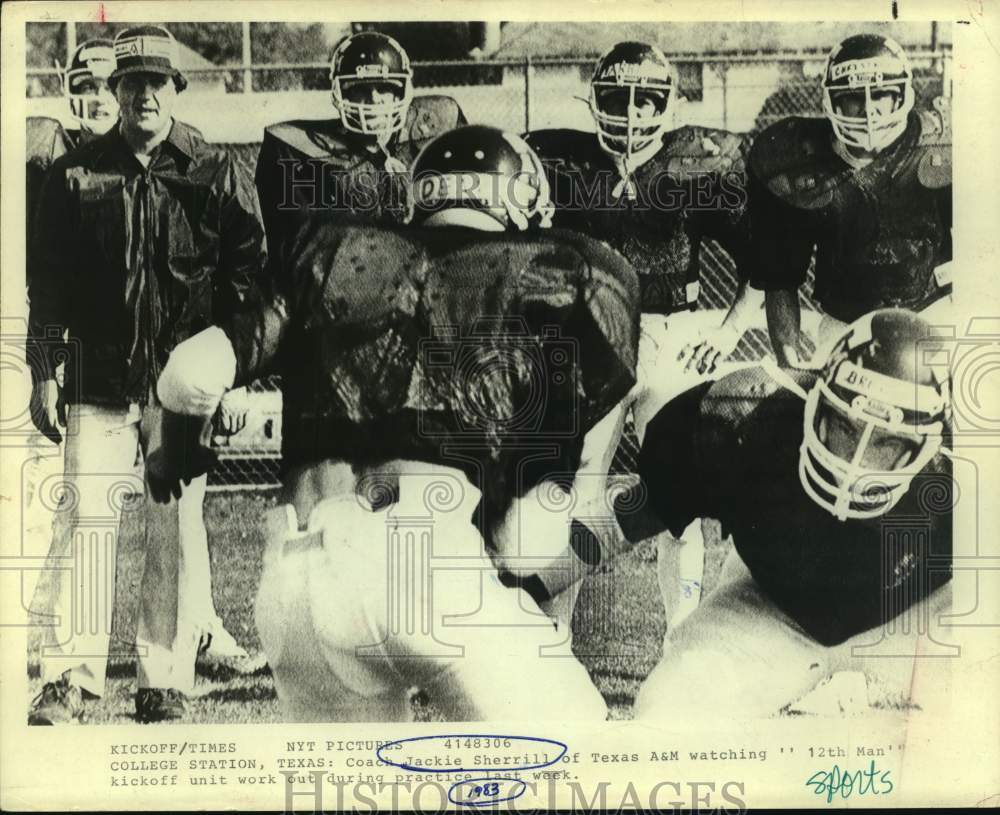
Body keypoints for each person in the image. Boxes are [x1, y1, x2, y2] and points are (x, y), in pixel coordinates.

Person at [152, 125, 641, 721]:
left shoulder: (336, 256)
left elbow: (188, 373)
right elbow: (535, 519)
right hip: (420, 563)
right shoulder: (545, 274)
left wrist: (176, 453)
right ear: (522, 201)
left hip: (293, 587)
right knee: (575, 755)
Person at [27, 25, 267, 725]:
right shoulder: (77, 174)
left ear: (174, 90)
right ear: (116, 92)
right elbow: (50, 284)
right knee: (88, 521)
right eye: (131, 83)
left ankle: (162, 678)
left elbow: (245, 280)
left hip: (181, 382)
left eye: (157, 83)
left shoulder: (213, 169)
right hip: (97, 379)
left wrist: (235, 373)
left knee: (172, 529)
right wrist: (46, 371)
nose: (144, 96)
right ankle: (71, 678)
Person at [611, 308, 953, 718]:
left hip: (909, 623)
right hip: (772, 603)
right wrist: (527, 584)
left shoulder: (967, 472)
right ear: (817, 403)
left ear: (926, 447)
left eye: (885, 442)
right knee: (667, 709)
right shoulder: (748, 416)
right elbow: (627, 520)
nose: (855, 460)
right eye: (845, 427)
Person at [525, 41, 759, 628]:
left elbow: (766, 264)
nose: (630, 115)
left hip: (673, 334)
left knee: (679, 493)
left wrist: (729, 333)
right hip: (589, 337)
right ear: (594, 101)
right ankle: (552, 642)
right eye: (617, 100)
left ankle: (680, 637)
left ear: (669, 105)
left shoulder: (697, 167)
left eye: (645, 100)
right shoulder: (559, 163)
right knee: (574, 487)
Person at [743, 34, 952, 367]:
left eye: (881, 93)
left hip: (935, 316)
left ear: (902, 95)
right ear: (833, 102)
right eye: (854, 96)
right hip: (847, 329)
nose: (869, 109)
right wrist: (789, 361)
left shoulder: (941, 146)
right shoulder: (799, 160)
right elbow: (781, 280)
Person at [254, 31, 466, 261]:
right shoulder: (298, 150)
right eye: (360, 89)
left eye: (384, 87)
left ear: (401, 91)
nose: (374, 99)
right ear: (340, 92)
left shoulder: (437, 124)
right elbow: (298, 255)